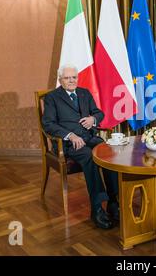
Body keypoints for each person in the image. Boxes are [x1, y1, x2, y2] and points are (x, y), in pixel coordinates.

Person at [42, 64, 119, 230]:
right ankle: (97, 208)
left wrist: (93, 119)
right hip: (69, 143)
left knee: (108, 152)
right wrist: (70, 135)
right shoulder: (52, 98)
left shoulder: (84, 93)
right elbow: (48, 124)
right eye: (67, 78)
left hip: (89, 137)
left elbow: (99, 112)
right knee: (90, 156)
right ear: (60, 79)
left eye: (74, 77)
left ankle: (114, 202)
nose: (71, 81)